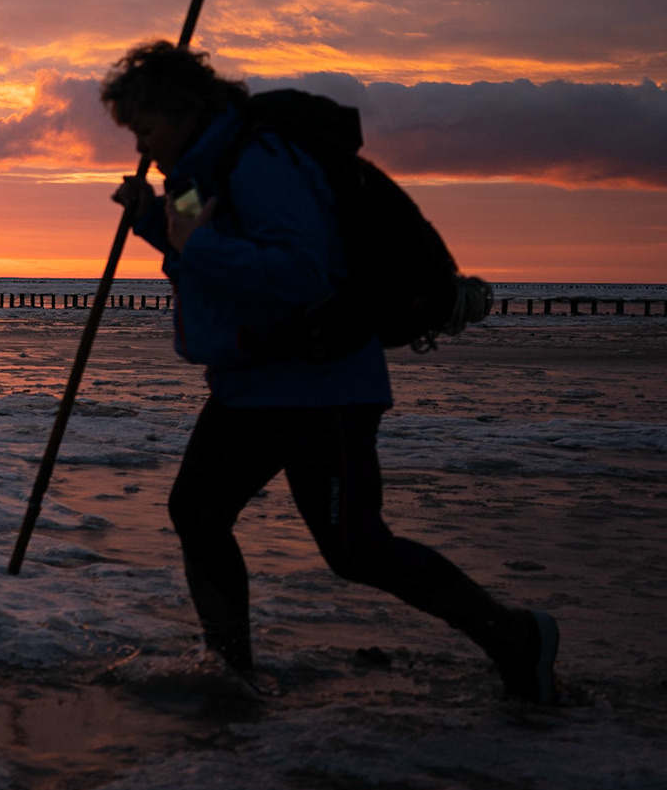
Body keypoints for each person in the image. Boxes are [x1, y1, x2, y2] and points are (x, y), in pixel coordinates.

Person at [100, 40, 559, 704]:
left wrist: (193, 240)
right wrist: (154, 223)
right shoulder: (201, 176)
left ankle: (517, 637)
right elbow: (205, 262)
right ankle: (232, 675)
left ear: (181, 110)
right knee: (198, 514)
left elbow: (300, 271)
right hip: (249, 381)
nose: (141, 145)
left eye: (145, 129)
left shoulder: (259, 160)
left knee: (356, 548)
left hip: (321, 382)